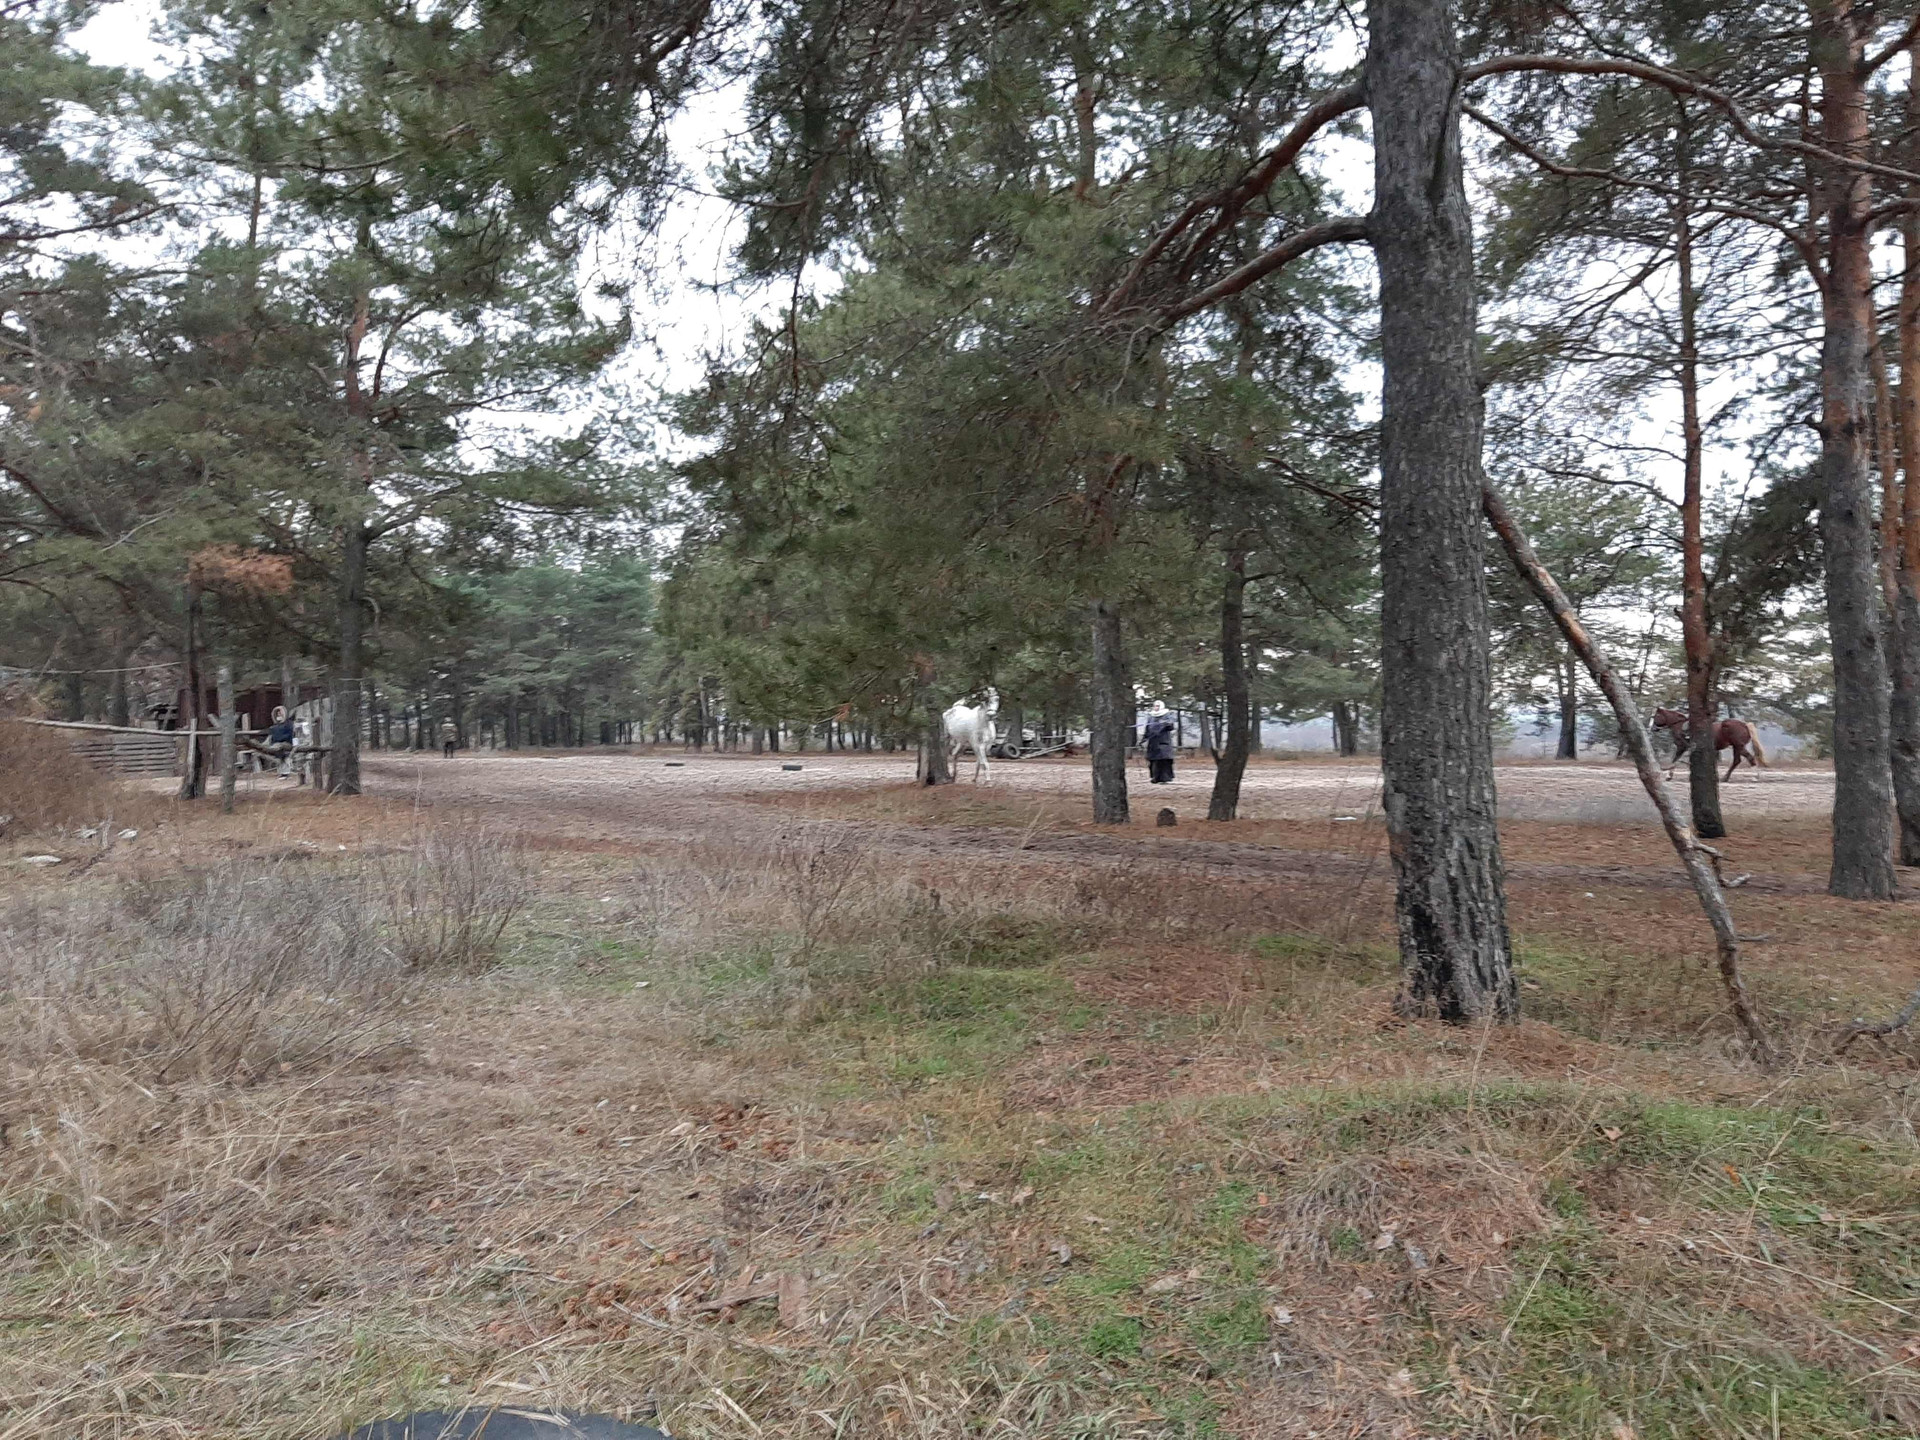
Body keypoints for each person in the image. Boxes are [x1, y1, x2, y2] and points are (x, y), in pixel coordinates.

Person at [1143, 700, 1177, 784]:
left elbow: (1171, 725)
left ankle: (1165, 778)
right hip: (1153, 742)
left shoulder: (1167, 715)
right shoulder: (1151, 716)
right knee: (1153, 761)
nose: (1156, 708)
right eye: (1155, 706)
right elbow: (1147, 729)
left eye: (1158, 706)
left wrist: (1164, 723)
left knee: (1163, 760)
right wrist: (1144, 738)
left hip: (1163, 742)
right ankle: (1155, 777)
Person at [265, 706, 297, 779]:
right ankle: (282, 773)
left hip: (286, 743)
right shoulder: (273, 727)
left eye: (280, 713)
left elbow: (293, 735)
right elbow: (271, 738)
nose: (279, 715)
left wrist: (295, 745)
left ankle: (286, 773)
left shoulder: (289, 724)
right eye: (277, 714)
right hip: (275, 745)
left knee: (281, 751)